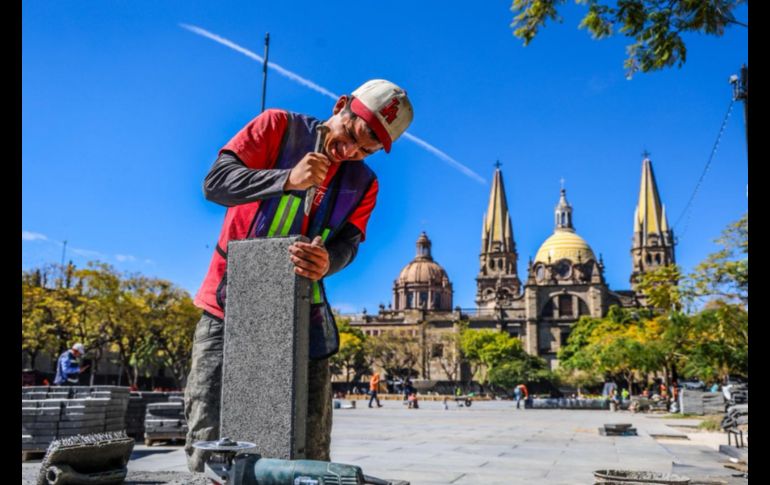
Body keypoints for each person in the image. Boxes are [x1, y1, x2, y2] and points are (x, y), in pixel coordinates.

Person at [183, 79, 413, 472]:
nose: (352, 151)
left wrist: (328, 262)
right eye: (354, 134)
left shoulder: (365, 183)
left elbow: (349, 244)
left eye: (367, 149)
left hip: (302, 314)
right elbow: (215, 183)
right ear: (341, 105)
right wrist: (285, 178)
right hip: (228, 305)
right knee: (209, 433)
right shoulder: (278, 127)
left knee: (309, 443)